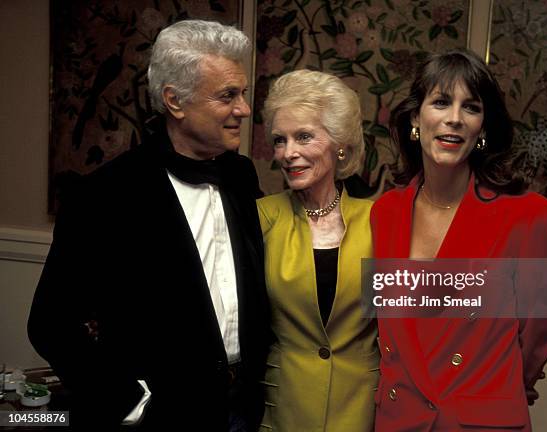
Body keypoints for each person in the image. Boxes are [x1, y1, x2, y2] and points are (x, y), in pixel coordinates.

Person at [28, 20, 269, 430]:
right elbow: (51, 323)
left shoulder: (241, 175)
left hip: (244, 408)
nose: (244, 109)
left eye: (243, 94)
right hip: (162, 416)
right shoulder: (105, 194)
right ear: (175, 102)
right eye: (228, 95)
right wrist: (129, 401)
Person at [371, 49, 547, 431]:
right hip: (399, 418)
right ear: (415, 118)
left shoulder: (529, 216)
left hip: (477, 422)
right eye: (441, 102)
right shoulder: (385, 212)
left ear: (483, 127)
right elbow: (393, 330)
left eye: (470, 107)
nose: (454, 119)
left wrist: (495, 390)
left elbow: (535, 339)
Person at [256, 70, 379, 431]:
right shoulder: (260, 218)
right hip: (282, 408)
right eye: (280, 140)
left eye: (304, 137)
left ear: (339, 144)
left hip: (359, 408)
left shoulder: (380, 222)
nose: (289, 153)